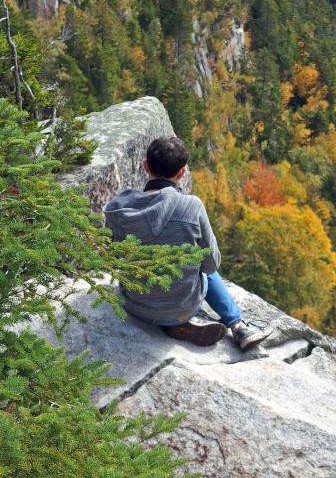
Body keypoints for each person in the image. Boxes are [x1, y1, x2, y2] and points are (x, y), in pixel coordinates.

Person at [103, 136, 271, 350]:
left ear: (145, 166)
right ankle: (238, 327)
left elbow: (112, 256)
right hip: (183, 307)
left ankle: (168, 324)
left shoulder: (118, 207)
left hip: (136, 305)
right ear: (182, 173)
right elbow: (211, 265)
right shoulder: (191, 206)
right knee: (204, 266)